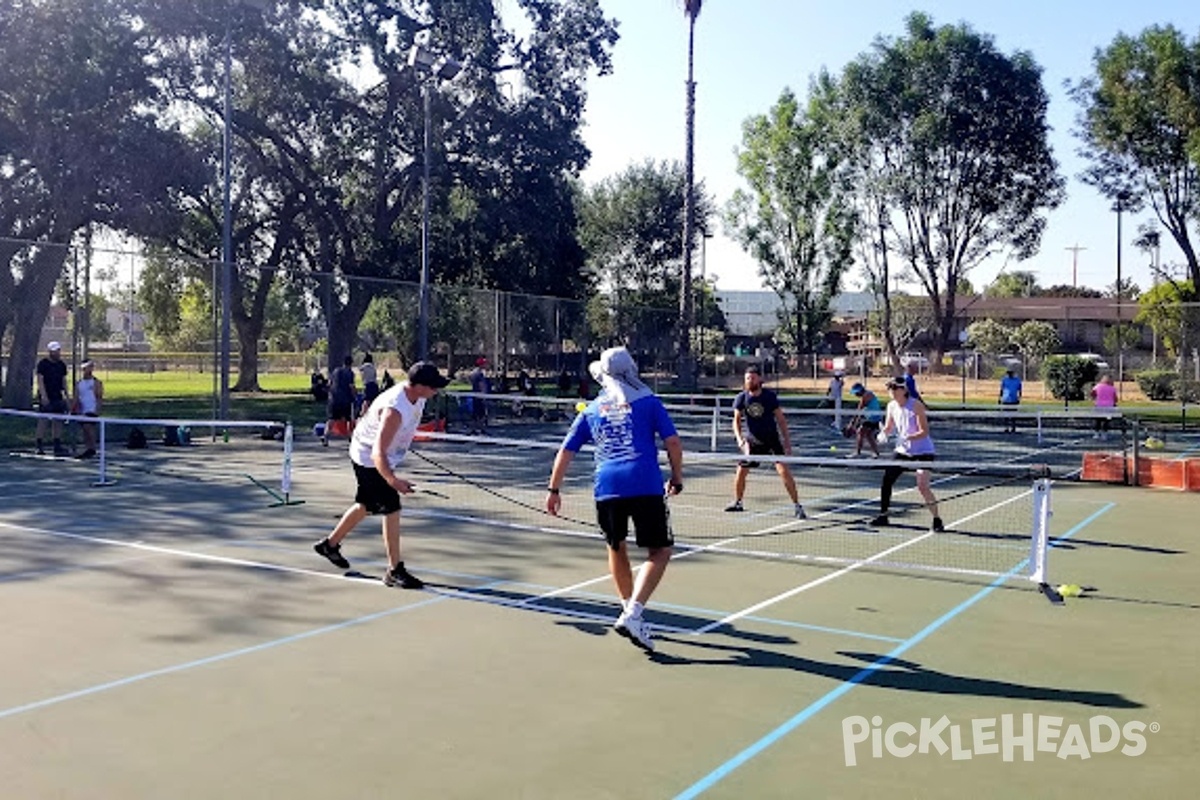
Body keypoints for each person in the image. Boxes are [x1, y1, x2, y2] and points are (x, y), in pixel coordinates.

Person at [545, 347, 683, 653]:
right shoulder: (649, 402)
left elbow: (565, 451)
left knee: (615, 545)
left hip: (606, 487)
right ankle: (633, 613)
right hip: (645, 484)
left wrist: (554, 490)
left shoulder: (592, 409)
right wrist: (677, 476)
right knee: (660, 550)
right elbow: (672, 441)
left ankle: (628, 610)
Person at [313, 361, 450, 588]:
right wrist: (393, 480)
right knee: (391, 506)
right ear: (419, 386)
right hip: (368, 456)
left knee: (366, 505)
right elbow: (378, 453)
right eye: (433, 386)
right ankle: (394, 570)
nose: (437, 390)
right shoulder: (394, 410)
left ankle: (330, 545)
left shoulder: (420, 397)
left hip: (379, 453)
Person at [724, 366, 806, 519]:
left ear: (760, 379)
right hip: (753, 442)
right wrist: (741, 440)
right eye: (747, 378)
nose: (750, 381)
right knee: (741, 472)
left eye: (753, 378)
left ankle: (797, 506)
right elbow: (736, 421)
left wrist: (787, 442)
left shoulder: (769, 397)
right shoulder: (741, 398)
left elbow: (781, 420)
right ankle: (738, 502)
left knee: (784, 472)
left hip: (772, 440)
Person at [871, 377, 944, 532]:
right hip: (902, 451)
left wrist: (908, 437)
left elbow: (924, 431)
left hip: (923, 451)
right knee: (887, 480)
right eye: (889, 388)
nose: (891, 391)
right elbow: (889, 426)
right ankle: (883, 515)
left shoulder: (916, 405)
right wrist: (883, 434)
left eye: (894, 388)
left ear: (903, 390)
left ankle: (937, 520)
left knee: (922, 487)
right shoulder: (891, 406)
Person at [35, 341, 70, 456]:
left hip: (57, 396)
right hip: (47, 396)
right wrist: (44, 396)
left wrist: (67, 396)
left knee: (58, 420)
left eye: (58, 350)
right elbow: (40, 380)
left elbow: (64, 381)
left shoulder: (61, 365)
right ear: (50, 352)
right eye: (55, 351)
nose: (57, 353)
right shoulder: (43, 364)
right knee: (43, 420)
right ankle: (39, 444)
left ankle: (57, 444)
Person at [323, 356, 357, 446]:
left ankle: (326, 436)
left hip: (334, 399)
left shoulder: (336, 371)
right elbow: (351, 386)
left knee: (332, 419)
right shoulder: (350, 373)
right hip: (345, 399)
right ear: (351, 364)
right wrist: (355, 395)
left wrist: (330, 393)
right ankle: (351, 437)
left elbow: (329, 383)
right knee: (348, 419)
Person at [73, 360, 103, 459]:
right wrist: (73, 408)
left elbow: (99, 397)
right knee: (85, 430)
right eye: (87, 368)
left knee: (89, 428)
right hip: (82, 410)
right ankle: (88, 448)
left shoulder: (96, 382)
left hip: (92, 409)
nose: (89, 370)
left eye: (91, 367)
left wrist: (97, 409)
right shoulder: (79, 383)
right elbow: (76, 398)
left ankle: (92, 448)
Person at [846, 382, 882, 458]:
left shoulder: (865, 396)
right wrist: (853, 424)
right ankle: (876, 453)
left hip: (873, 418)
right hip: (874, 417)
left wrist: (852, 425)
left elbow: (858, 411)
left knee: (860, 432)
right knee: (868, 435)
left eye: (856, 393)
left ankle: (857, 452)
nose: (855, 395)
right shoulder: (868, 394)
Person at [1091, 374, 1119, 439]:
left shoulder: (1098, 386)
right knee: (1106, 421)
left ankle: (1096, 434)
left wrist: (1095, 399)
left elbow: (1092, 393)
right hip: (1109, 407)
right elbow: (1115, 399)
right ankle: (1104, 434)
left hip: (1099, 406)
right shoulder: (1113, 388)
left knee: (1097, 420)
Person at [469, 357, 491, 434]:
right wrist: (484, 394)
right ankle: (479, 429)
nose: (486, 365)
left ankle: (478, 429)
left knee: (478, 413)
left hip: (477, 395)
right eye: (484, 363)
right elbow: (482, 385)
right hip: (479, 395)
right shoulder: (479, 373)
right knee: (480, 413)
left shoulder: (476, 373)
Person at [998, 368, 1023, 434]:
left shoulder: (1017, 380)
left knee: (1014, 416)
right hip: (1006, 400)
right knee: (1006, 415)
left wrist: (1019, 398)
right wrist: (999, 398)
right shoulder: (1004, 380)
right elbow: (1001, 389)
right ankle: (1006, 428)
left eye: (1011, 373)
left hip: (1014, 400)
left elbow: (1020, 390)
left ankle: (1013, 428)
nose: (1009, 374)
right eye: (1008, 373)